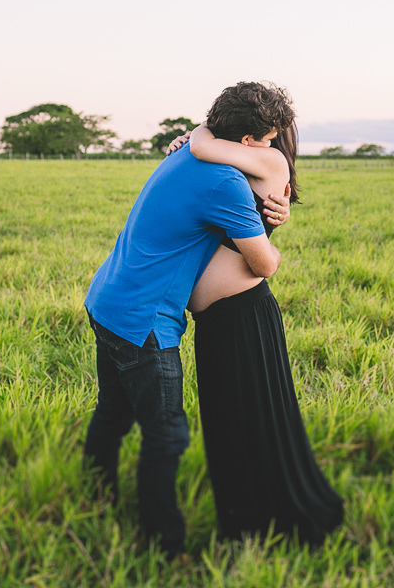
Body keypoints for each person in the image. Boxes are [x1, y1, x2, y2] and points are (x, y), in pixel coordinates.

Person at [81, 82, 294, 559]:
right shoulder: (224, 182)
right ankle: (165, 545)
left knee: (112, 412)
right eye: (267, 141)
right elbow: (263, 264)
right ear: (247, 143)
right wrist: (270, 233)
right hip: (144, 320)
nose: (270, 150)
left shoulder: (182, 155)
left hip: (107, 298)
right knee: (168, 434)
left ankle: (96, 498)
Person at [169, 99, 344, 547]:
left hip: (243, 313)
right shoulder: (242, 168)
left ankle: (267, 519)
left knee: (251, 418)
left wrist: (197, 131)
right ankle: (244, 515)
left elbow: (208, 145)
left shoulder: (267, 159)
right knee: (232, 418)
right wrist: (189, 139)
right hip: (223, 318)